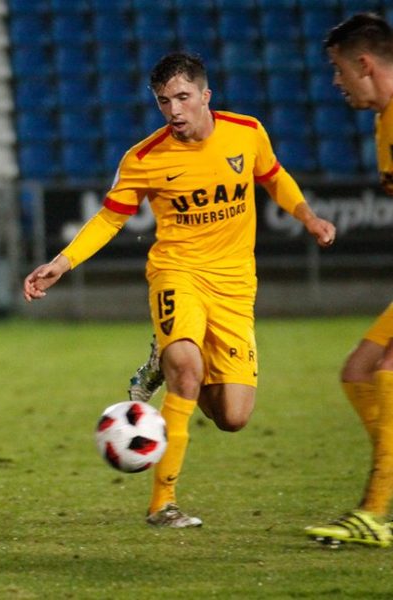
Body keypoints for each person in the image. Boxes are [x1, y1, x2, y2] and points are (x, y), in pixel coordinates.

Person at [23, 53, 336, 528]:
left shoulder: (246, 132)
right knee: (188, 371)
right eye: (164, 101)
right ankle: (162, 503)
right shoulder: (144, 158)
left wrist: (308, 217)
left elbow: (273, 176)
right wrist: (62, 263)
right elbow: (110, 217)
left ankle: (163, 361)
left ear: (205, 96)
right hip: (178, 273)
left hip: (234, 287)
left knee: (232, 416)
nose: (174, 111)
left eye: (183, 98)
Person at [306, 13, 393, 548]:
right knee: (359, 371)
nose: (336, 83)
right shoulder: (383, 121)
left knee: (386, 367)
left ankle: (373, 512)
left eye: (339, 70)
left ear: (364, 63)